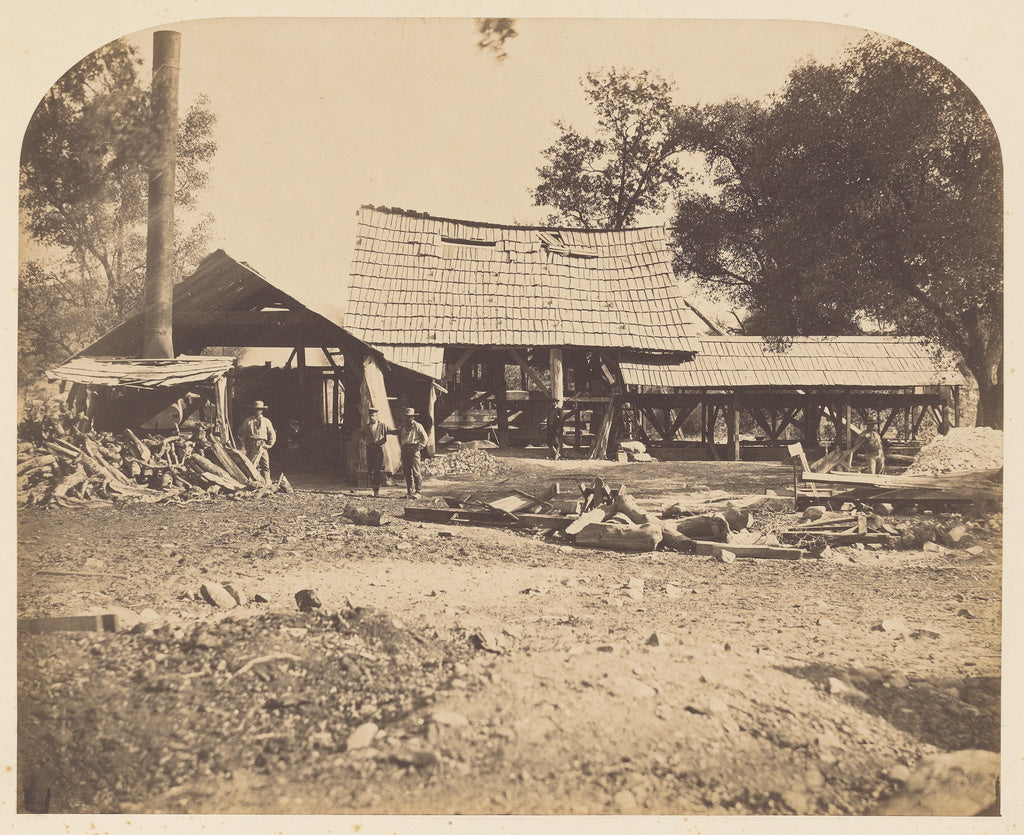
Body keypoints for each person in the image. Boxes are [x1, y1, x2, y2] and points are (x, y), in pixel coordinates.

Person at [237, 400, 276, 485]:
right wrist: (243, 446)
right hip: (252, 445)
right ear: (253, 410)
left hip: (263, 445)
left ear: (262, 410)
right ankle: (252, 483)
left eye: (259, 409)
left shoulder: (266, 421)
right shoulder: (248, 421)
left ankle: (267, 483)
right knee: (251, 465)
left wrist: (269, 445)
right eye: (256, 409)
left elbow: (272, 433)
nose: (257, 411)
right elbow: (241, 435)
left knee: (265, 464)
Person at [362, 406, 395, 497]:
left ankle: (377, 490)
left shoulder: (382, 426)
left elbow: (392, 431)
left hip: (378, 449)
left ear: (377, 416)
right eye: (370, 416)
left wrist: (401, 430)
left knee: (377, 469)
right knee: (370, 470)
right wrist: (365, 440)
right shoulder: (366, 427)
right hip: (370, 450)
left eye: (373, 416)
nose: (372, 417)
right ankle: (374, 488)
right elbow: (362, 434)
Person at [397, 406, 428, 498]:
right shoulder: (403, 427)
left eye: (410, 417)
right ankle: (409, 491)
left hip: (414, 449)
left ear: (413, 417)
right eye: (406, 416)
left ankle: (418, 492)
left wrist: (419, 447)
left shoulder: (418, 426)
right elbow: (399, 436)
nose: (408, 418)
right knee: (406, 472)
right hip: (405, 450)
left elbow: (425, 438)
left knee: (416, 471)